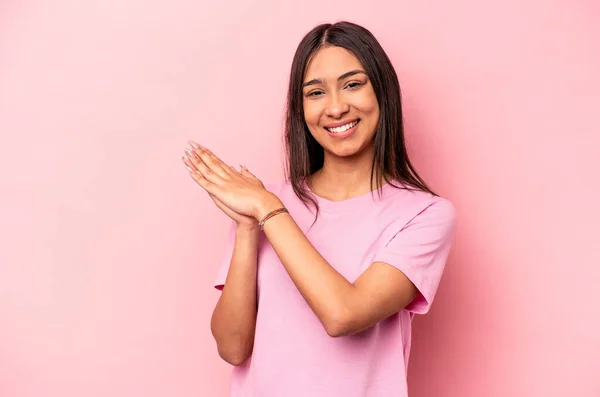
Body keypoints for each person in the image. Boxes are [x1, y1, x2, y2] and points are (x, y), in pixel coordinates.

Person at [182, 21, 457, 397]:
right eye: (315, 92)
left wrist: (268, 209)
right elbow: (232, 348)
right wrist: (248, 229)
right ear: (301, 108)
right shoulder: (262, 208)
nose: (336, 107)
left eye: (353, 84)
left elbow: (344, 315)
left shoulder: (424, 215)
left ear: (383, 92)